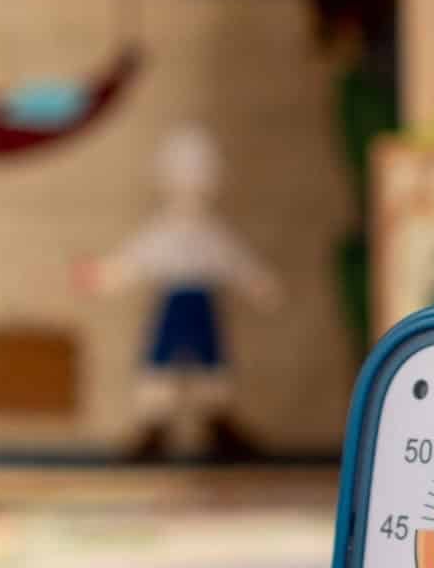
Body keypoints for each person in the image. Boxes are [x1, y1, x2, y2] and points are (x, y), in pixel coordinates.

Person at [76, 124, 281, 459]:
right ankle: (153, 428)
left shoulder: (211, 231)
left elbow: (234, 260)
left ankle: (218, 425)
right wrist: (103, 277)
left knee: (212, 365)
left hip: (201, 305)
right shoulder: (163, 231)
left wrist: (259, 285)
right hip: (173, 303)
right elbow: (136, 260)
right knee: (159, 363)